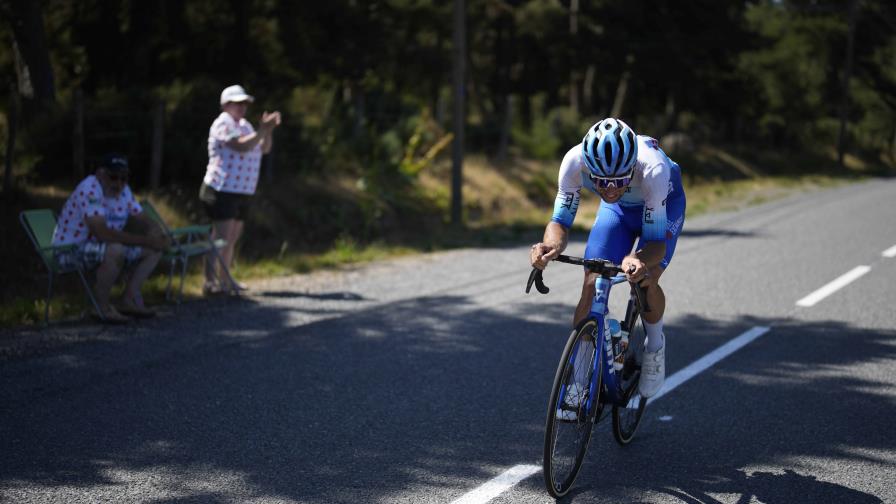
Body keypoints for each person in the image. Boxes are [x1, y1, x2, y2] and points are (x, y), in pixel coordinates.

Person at [529, 118, 686, 398]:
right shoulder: (574, 162)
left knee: (646, 278)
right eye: (601, 182)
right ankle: (578, 376)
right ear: (590, 168)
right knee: (591, 280)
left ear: (632, 167)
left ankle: (654, 346)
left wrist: (638, 259)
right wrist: (550, 246)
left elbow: (656, 245)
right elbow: (560, 222)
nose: (610, 189)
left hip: (664, 206)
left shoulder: (653, 169)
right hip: (619, 213)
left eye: (620, 181)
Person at [52, 153, 170, 322]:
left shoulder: (124, 191)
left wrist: (158, 232)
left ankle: (128, 300)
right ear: (101, 174)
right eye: (114, 177)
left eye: (124, 178)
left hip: (100, 247)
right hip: (69, 251)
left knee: (153, 250)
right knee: (115, 249)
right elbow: (103, 233)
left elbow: (142, 217)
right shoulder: (90, 189)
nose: (119, 183)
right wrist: (146, 239)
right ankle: (101, 307)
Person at [199, 84, 281, 295]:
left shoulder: (244, 125)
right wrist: (262, 130)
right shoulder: (223, 123)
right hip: (222, 188)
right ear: (226, 104)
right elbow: (241, 146)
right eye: (238, 103)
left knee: (232, 238)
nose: (242, 107)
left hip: (242, 189)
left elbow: (264, 148)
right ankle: (210, 282)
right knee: (220, 237)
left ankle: (225, 279)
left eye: (244, 103)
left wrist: (267, 131)